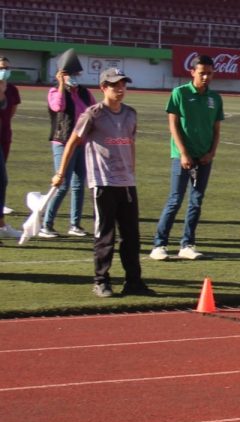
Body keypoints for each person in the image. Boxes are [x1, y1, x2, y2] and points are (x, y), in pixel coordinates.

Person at [52, 68, 154, 298]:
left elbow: (130, 143)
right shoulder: (93, 114)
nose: (120, 88)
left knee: (131, 236)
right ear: (103, 88)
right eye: (114, 85)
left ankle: (134, 281)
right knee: (105, 234)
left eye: (122, 84)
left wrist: (132, 170)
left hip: (126, 183)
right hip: (102, 182)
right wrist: (60, 172)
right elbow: (73, 142)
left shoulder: (130, 114)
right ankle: (101, 280)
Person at [150, 55, 223, 261]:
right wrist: (183, 153)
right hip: (182, 157)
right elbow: (173, 125)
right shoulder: (179, 93)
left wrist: (211, 153)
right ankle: (159, 244)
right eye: (202, 73)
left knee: (196, 201)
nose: (206, 77)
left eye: (209, 73)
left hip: (204, 158)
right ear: (192, 72)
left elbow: (216, 129)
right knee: (175, 200)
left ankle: (187, 244)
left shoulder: (215, 98)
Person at [41, 49, 95, 238]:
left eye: (75, 74)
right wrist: (62, 85)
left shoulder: (84, 93)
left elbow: (94, 111)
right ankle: (46, 225)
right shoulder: (55, 92)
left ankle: (75, 224)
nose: (74, 77)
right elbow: (58, 107)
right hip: (63, 142)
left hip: (81, 143)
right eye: (69, 74)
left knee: (80, 184)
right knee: (62, 184)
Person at [0, 57, 22, 239]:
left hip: (4, 137)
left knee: (2, 179)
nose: (4, 71)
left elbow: (10, 114)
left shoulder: (12, 89)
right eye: (1, 68)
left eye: (6, 67)